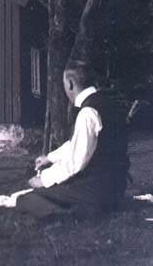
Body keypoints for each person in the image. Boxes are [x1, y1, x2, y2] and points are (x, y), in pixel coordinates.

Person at [15, 60, 130, 218]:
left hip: (96, 190)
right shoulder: (107, 104)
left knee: (25, 199)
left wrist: (43, 179)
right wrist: (49, 158)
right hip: (116, 187)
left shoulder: (87, 112)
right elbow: (77, 144)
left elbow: (76, 161)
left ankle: (66, 215)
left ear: (70, 84)